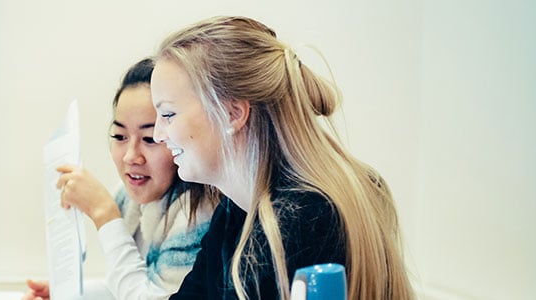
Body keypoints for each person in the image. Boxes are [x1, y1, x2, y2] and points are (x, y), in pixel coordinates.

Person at [148, 16, 413, 299]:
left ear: (232, 114)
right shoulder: (235, 215)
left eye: (167, 115)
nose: (158, 133)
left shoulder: (305, 222)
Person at [24, 58, 219, 300]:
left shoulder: (198, 211)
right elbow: (126, 286)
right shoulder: (131, 196)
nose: (130, 156)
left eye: (150, 139)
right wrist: (71, 295)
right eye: (119, 135)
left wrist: (104, 214)